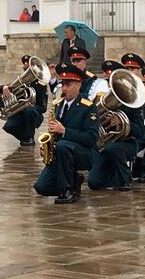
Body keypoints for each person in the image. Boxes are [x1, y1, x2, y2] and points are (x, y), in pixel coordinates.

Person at [33, 63, 99, 204]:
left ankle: (67, 190)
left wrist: (64, 131)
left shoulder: (88, 107)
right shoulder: (59, 104)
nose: (63, 88)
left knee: (63, 146)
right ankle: (74, 181)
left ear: (78, 85)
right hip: (62, 153)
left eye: (68, 84)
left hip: (84, 153)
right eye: (62, 84)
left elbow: (92, 138)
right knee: (41, 187)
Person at [88, 69, 144, 192]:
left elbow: (140, 132)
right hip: (105, 145)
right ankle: (113, 175)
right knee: (93, 183)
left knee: (113, 148)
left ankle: (126, 179)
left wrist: (123, 122)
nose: (109, 84)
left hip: (127, 144)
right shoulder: (100, 99)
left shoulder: (133, 104)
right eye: (108, 81)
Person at [0, 55, 47, 146]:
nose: (27, 71)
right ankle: (25, 138)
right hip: (20, 112)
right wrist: (3, 87)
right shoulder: (20, 81)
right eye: (26, 69)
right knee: (8, 127)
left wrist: (31, 105)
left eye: (29, 68)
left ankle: (29, 137)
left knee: (29, 111)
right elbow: (3, 88)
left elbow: (43, 108)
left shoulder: (41, 85)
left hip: (34, 113)